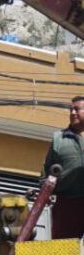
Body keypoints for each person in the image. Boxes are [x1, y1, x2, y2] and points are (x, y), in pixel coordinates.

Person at [42, 96, 84, 240]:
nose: (72, 113)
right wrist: (45, 193)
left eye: (77, 109)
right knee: (63, 250)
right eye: (71, 109)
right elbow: (46, 172)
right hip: (67, 204)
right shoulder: (59, 139)